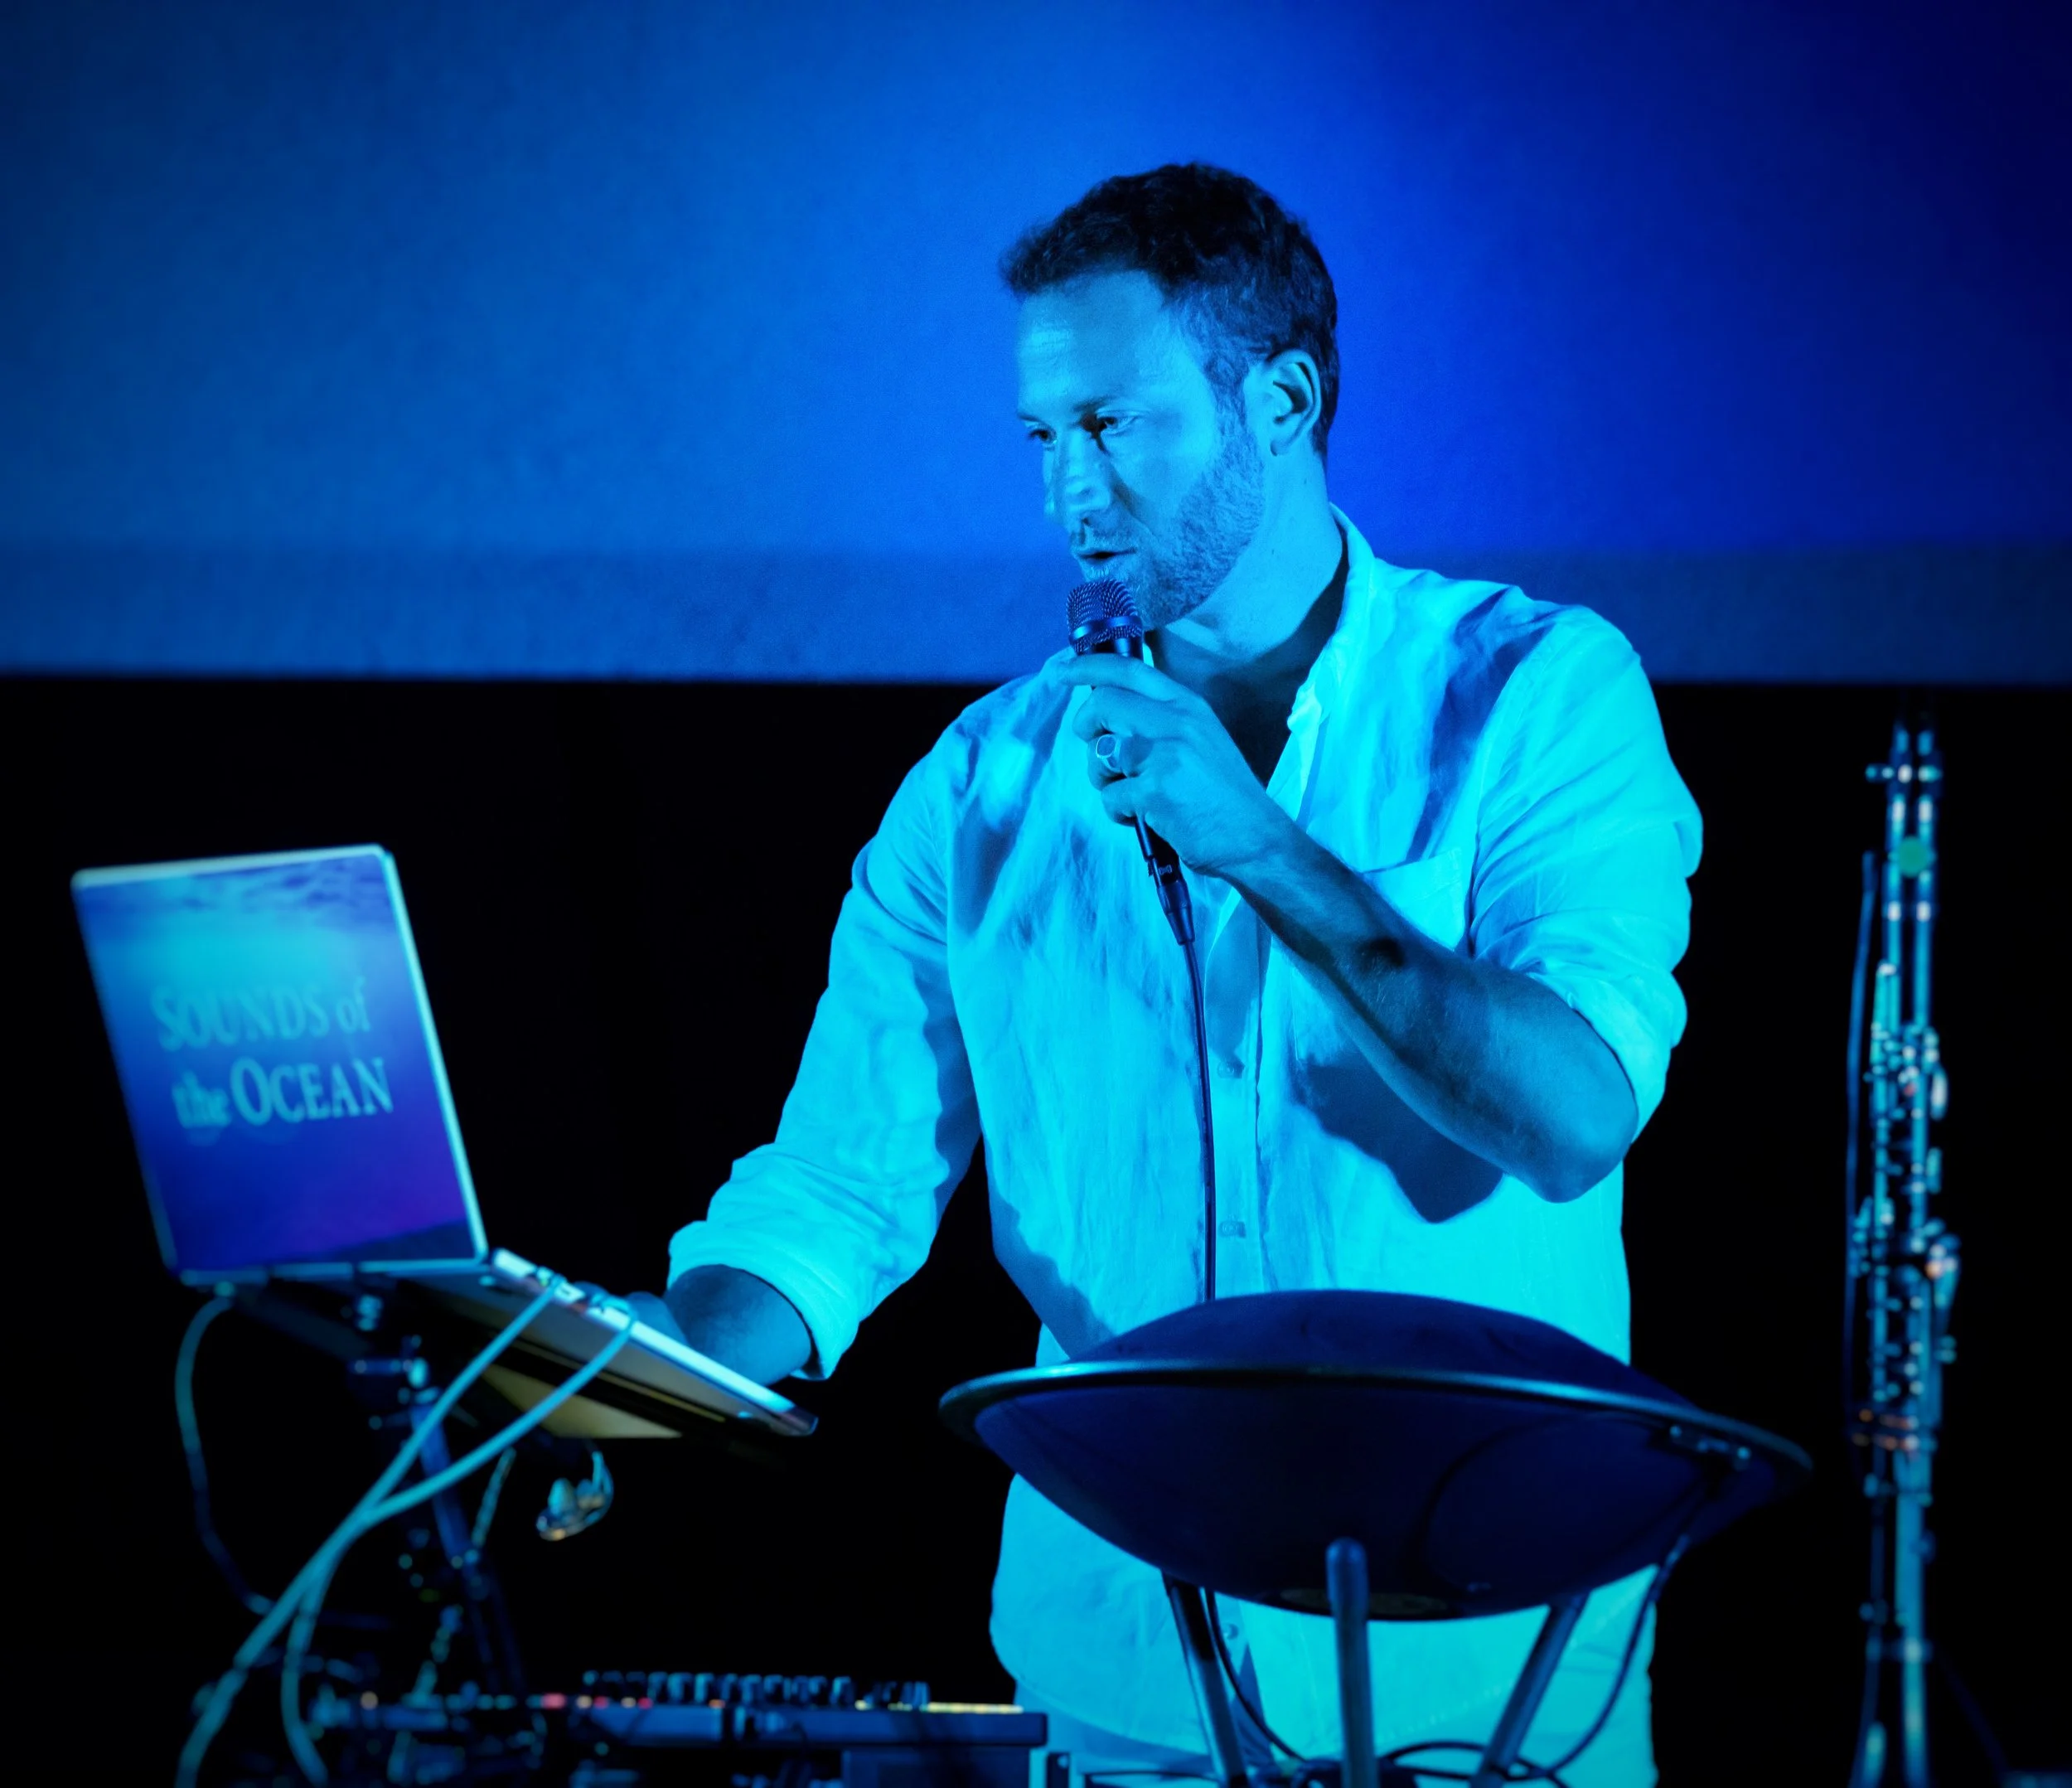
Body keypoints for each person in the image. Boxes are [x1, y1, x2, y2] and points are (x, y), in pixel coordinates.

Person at [647, 164, 1701, 1785]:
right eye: (1040, 438)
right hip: (1126, 1671)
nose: (1068, 491)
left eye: (1113, 425)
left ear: (1280, 401)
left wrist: (1260, 846)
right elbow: (836, 1190)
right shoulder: (982, 782)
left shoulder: (1534, 693)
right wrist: (633, 1362)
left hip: (1487, 1665)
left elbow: (1570, 1118)